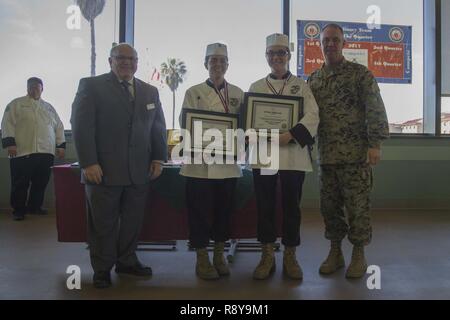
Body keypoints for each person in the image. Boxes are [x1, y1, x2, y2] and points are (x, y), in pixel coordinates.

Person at [71, 43, 167, 288]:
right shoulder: (91, 86)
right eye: (120, 58)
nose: (126, 62)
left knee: (133, 222)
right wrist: (88, 162)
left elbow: (157, 127)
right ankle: (102, 269)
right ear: (110, 61)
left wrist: (158, 157)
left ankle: (126, 261)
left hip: (140, 172)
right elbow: (81, 126)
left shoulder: (149, 91)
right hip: (102, 171)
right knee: (103, 223)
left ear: (137, 62)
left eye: (131, 59)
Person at [307, 24, 389, 278]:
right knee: (329, 209)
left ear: (344, 44)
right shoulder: (314, 79)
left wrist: (375, 144)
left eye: (335, 40)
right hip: (327, 157)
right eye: (326, 41)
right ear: (320, 44)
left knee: (358, 208)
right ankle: (335, 252)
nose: (330, 44)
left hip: (355, 157)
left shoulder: (360, 74)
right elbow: (308, 118)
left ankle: (358, 255)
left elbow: (375, 108)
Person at [248, 34, 319, 280]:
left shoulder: (302, 85)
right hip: (264, 155)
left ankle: (290, 255)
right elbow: (248, 120)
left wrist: (290, 134)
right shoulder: (256, 87)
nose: (277, 57)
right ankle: (267, 255)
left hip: (293, 155)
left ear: (289, 56)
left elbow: (313, 116)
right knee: (264, 206)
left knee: (292, 207)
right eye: (272, 53)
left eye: (281, 53)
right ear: (266, 56)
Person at [179, 43, 244, 280]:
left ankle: (219, 254)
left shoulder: (238, 93)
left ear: (228, 64)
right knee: (199, 214)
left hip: (227, 165)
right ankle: (202, 258)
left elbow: (244, 126)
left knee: (223, 212)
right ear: (205, 63)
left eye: (222, 60)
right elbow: (186, 124)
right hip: (198, 164)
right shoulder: (192, 92)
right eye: (213, 60)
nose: (217, 64)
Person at [1, 77, 65, 221]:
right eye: (31, 87)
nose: (34, 89)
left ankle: (34, 207)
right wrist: (10, 143)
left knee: (40, 182)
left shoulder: (49, 107)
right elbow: (7, 123)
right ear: (27, 88)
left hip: (45, 152)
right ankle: (18, 210)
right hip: (22, 150)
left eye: (37, 87)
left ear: (42, 88)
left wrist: (60, 146)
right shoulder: (16, 104)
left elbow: (59, 127)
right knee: (20, 183)